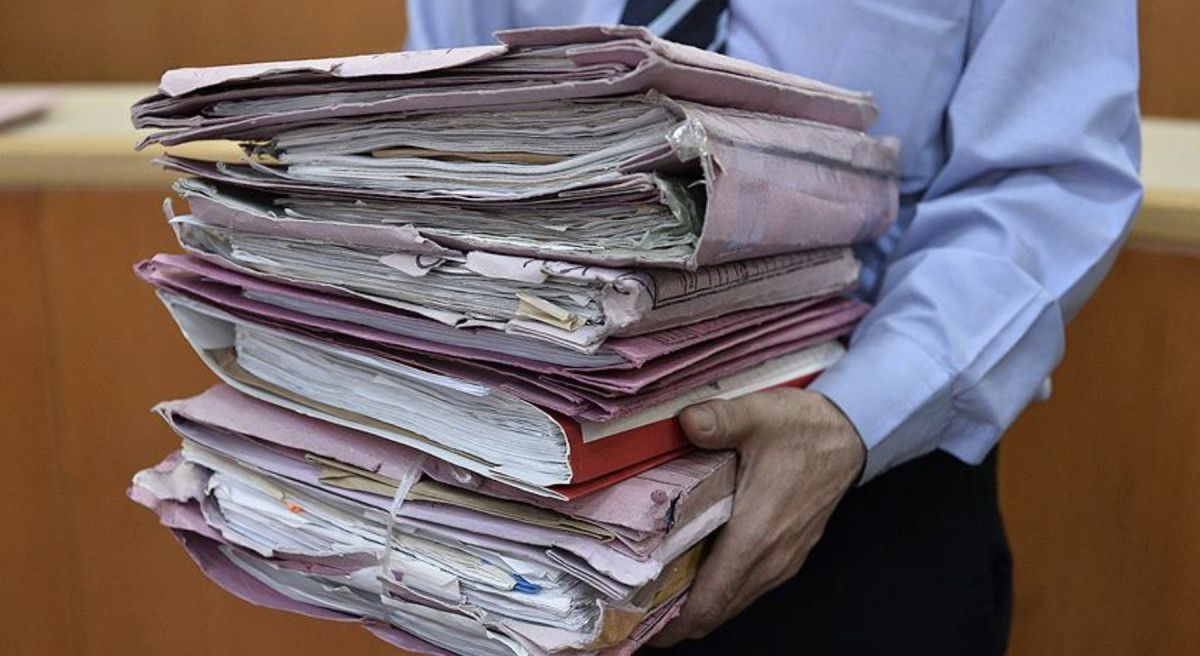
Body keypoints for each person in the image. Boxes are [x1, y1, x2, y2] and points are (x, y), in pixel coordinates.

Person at [405, 1, 1143, 653]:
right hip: (523, 483)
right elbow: (434, 110)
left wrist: (854, 421)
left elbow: (1049, 179)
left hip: (863, 477)